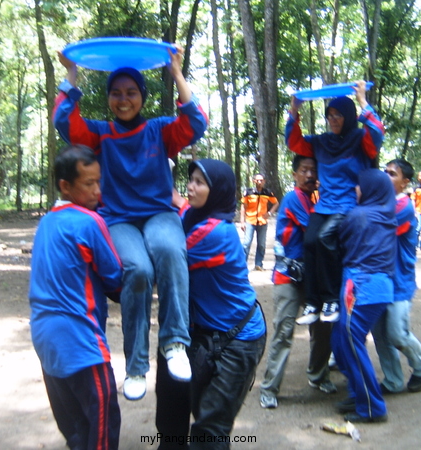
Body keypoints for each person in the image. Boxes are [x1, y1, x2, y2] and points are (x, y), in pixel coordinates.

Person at [53, 45, 208, 401]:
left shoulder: (159, 130)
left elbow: (196, 122)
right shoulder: (100, 133)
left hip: (159, 215)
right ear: (108, 98)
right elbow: (64, 121)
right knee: (136, 271)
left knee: (170, 251)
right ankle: (136, 366)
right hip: (118, 219)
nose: (124, 100)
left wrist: (177, 73)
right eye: (116, 93)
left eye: (131, 93)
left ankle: (175, 343)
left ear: (142, 96)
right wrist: (72, 73)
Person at [29, 145, 122, 449]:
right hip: (79, 338)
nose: (98, 190)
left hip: (44, 338)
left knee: (74, 423)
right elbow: (114, 277)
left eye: (99, 181)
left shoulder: (45, 222)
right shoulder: (89, 221)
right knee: (103, 420)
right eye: (88, 184)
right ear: (65, 186)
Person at [286, 81, 385, 324]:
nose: (333, 119)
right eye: (329, 115)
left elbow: (377, 134)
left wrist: (363, 101)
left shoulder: (361, 139)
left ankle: (331, 300)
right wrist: (294, 110)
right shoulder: (321, 142)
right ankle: (312, 302)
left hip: (350, 204)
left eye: (338, 114)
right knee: (309, 241)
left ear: (349, 116)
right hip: (325, 204)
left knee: (325, 238)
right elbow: (294, 142)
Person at [184, 159, 266, 448]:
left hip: (238, 339)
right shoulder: (194, 217)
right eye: (190, 179)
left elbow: (165, 257)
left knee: (210, 428)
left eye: (199, 182)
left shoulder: (215, 231)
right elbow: (175, 203)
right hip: (208, 334)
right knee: (205, 413)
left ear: (217, 190)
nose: (190, 187)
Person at [259, 155, 336, 410]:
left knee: (324, 328)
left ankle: (318, 375)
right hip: (288, 277)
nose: (310, 175)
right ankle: (269, 389)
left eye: (314, 170)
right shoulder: (294, 199)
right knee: (284, 331)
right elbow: (317, 229)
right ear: (294, 174)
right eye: (304, 170)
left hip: (312, 276)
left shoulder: (315, 199)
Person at [332, 168, 396, 424]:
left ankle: (372, 407)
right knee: (341, 337)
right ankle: (357, 391)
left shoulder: (359, 215)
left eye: (359, 186)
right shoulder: (385, 213)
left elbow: (339, 238)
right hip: (374, 288)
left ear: (369, 189)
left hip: (361, 288)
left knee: (351, 342)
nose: (356, 190)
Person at [372, 159, 421, 395]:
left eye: (392, 174)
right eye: (385, 172)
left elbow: (377, 230)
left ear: (405, 182)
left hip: (399, 282)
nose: (386, 177)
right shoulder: (381, 203)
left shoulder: (404, 208)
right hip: (379, 280)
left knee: (397, 333)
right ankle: (393, 380)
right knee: (379, 333)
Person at [240, 173, 279, 271]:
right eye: (257, 180)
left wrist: (269, 213)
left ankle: (258, 264)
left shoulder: (268, 192)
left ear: (264, 181)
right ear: (254, 181)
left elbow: (276, 203)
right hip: (250, 221)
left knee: (261, 244)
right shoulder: (248, 192)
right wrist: (242, 221)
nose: (260, 182)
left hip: (262, 222)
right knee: (246, 244)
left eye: (261, 180)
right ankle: (242, 265)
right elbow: (243, 206)